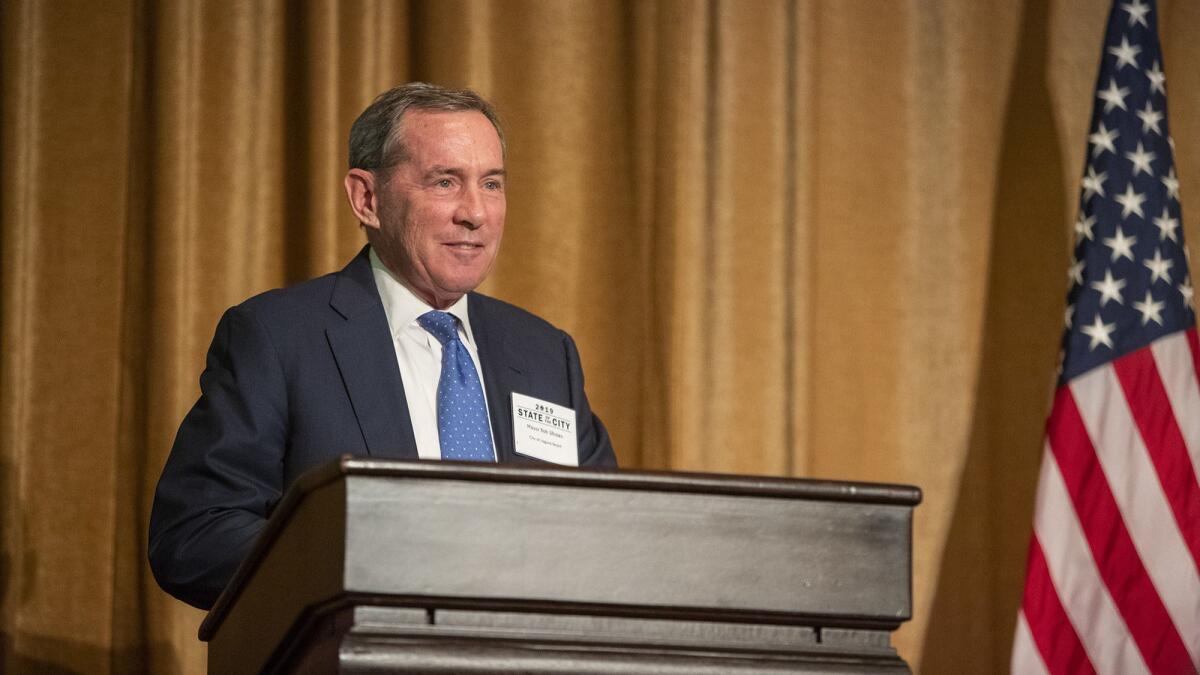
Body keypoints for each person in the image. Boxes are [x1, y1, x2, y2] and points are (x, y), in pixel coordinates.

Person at [148, 83, 617, 611]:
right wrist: (370, 567)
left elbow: (607, 533)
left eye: (491, 183)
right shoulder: (279, 337)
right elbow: (195, 536)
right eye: (445, 182)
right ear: (367, 199)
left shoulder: (543, 353)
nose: (476, 213)